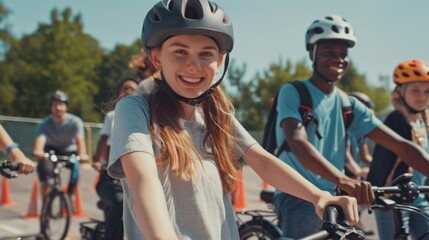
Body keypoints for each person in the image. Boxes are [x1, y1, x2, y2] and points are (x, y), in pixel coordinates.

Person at [107, 1, 359, 239]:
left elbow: (261, 160)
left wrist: (318, 196)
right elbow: (143, 179)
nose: (194, 65)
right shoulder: (135, 108)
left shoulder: (213, 112)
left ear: (219, 62)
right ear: (157, 58)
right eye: (180, 52)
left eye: (206, 54)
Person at [273, 15, 429, 238]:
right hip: (299, 192)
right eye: (329, 52)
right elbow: (297, 142)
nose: (338, 59)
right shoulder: (294, 92)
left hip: (336, 196)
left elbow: (401, 146)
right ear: (312, 53)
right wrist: (344, 179)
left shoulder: (350, 105)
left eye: (343, 54)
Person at [367, 59, 429, 239]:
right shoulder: (396, 119)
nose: (421, 97)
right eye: (415, 90)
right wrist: (375, 194)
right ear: (400, 91)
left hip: (419, 196)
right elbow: (382, 160)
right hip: (393, 198)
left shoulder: (423, 122)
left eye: (427, 92)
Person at [92, 76, 141, 240]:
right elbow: (104, 140)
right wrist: (97, 161)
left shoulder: (146, 116)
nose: (128, 91)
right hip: (111, 178)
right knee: (120, 201)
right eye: (124, 88)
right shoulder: (113, 116)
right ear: (119, 93)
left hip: (134, 179)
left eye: (132, 88)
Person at [33, 90, 88, 201]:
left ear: (66, 107)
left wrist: (82, 155)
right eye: (55, 105)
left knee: (76, 168)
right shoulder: (45, 123)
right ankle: (45, 204)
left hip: (69, 150)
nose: (58, 108)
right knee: (44, 170)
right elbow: (40, 140)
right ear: (51, 107)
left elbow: (80, 140)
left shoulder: (75, 122)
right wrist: (38, 151)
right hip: (51, 150)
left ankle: (69, 196)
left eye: (61, 104)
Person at [345, 92, 374, 180]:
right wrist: (359, 171)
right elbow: (345, 156)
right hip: (344, 175)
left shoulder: (362, 132)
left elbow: (365, 156)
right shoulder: (345, 129)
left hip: (354, 173)